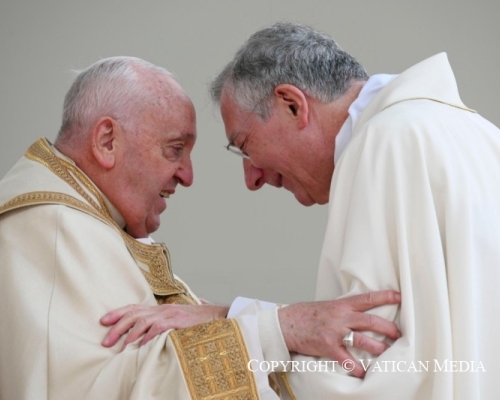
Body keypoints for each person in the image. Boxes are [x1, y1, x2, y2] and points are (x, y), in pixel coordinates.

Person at [0, 56, 400, 399]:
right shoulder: (49, 228)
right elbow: (98, 390)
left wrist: (266, 326)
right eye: (175, 150)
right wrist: (279, 329)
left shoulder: (87, 220)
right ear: (106, 141)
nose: (188, 176)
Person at [206, 22, 500, 399]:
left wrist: (226, 327)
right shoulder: (482, 136)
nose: (252, 177)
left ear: (292, 104)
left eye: (245, 146)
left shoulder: (383, 144)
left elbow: (361, 367)